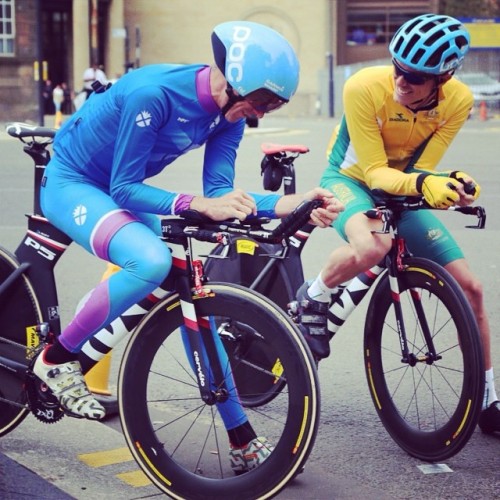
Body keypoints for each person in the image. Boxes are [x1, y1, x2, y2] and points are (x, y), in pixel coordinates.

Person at [33, 21, 343, 472]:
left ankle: (239, 435)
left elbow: (220, 193)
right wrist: (197, 204)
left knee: (187, 284)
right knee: (151, 259)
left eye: (272, 107)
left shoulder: (228, 117)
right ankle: (57, 359)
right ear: (234, 80)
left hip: (115, 189)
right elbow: (124, 188)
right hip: (74, 182)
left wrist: (294, 205)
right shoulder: (154, 95)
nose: (260, 115)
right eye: (260, 102)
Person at [292, 14, 499, 434]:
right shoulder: (364, 87)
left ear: (442, 80)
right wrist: (427, 183)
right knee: (372, 247)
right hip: (349, 180)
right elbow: (373, 174)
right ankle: (313, 295)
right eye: (398, 70)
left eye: (416, 78)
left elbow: (422, 169)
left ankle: (488, 395)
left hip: (401, 185)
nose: (402, 82)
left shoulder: (457, 100)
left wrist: (452, 184)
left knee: (472, 289)